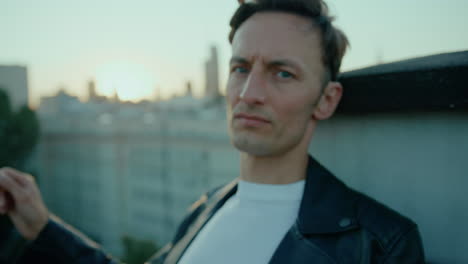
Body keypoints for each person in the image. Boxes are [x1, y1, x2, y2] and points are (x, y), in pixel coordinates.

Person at [0, 0, 425, 263]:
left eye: (282, 73)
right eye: (240, 68)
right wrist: (42, 225)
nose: (249, 93)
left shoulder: (379, 244)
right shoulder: (205, 209)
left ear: (326, 100)